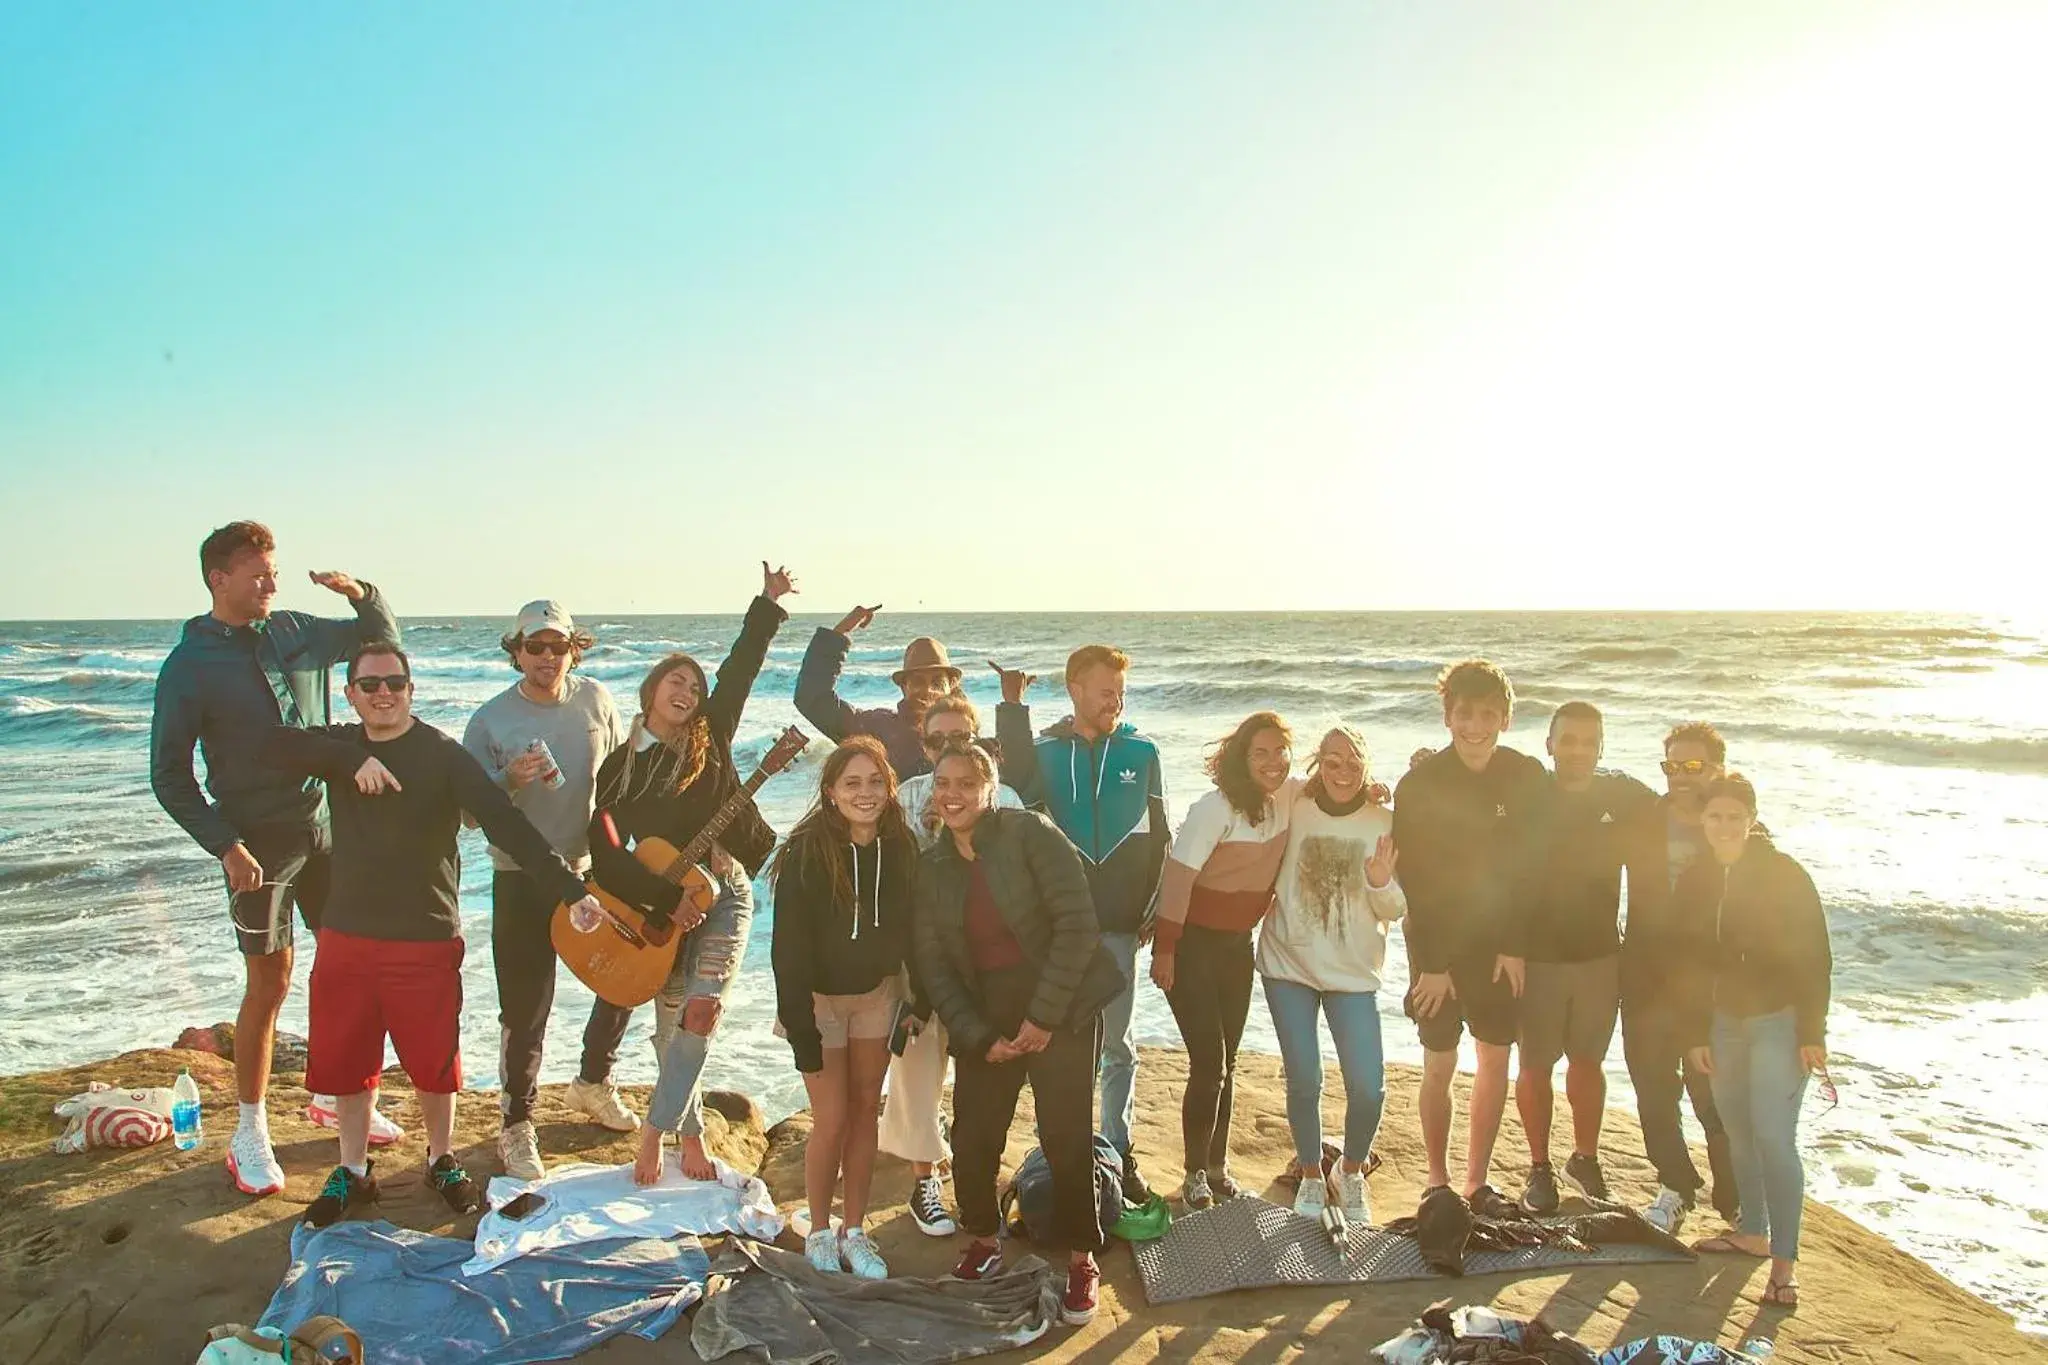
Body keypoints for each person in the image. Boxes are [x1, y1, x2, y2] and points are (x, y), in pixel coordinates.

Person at [260, 641, 602, 1227]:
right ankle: (353, 1170)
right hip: (348, 932)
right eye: (369, 685)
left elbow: (506, 824)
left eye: (394, 682)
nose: (383, 693)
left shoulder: (442, 756)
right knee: (347, 1059)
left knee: (433, 1061)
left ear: (411, 690)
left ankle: (441, 1158)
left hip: (424, 934)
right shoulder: (343, 746)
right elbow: (274, 744)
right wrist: (350, 763)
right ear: (352, 696)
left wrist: (571, 890)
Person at [149, 520, 404, 1198]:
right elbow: (170, 775)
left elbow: (379, 642)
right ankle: (251, 1129)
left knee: (353, 963)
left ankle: (336, 1096)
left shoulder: (292, 629)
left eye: (273, 569)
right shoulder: (189, 666)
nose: (271, 582)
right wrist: (224, 844)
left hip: (324, 827)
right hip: (255, 844)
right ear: (218, 578)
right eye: (256, 572)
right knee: (272, 982)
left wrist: (362, 593)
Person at [585, 567, 794, 1185]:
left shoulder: (711, 737)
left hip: (725, 893)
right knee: (669, 1024)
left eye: (695, 686)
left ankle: (654, 1137)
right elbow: (608, 857)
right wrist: (664, 901)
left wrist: (767, 603)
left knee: (701, 1012)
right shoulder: (619, 771)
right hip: (661, 907)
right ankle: (692, 1133)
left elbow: (740, 668)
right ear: (651, 690)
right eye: (677, 680)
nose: (690, 690)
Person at [912, 739, 1121, 1327]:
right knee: (974, 1139)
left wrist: (1043, 1018)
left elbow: (1078, 926)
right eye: (942, 783)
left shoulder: (1031, 834)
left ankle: (1082, 1261)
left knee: (1066, 1140)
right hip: (988, 1019)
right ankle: (982, 1240)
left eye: (964, 783)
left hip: (1064, 1008)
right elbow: (933, 963)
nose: (951, 794)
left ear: (990, 787)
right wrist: (979, 1036)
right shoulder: (932, 865)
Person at [461, 599, 632, 1180]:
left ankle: (593, 1081)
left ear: (572, 649)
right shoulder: (490, 720)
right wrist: (510, 778)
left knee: (626, 976)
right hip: (520, 877)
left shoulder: (596, 701)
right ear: (517, 651)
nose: (547, 657)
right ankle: (517, 1124)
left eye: (557, 646)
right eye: (534, 646)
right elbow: (465, 814)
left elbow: (619, 781)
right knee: (528, 1007)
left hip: (588, 872)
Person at [993, 646, 1170, 1203]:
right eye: (1105, 689)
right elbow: (1014, 786)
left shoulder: (1142, 751)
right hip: (1059, 927)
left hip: (1117, 923)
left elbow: (1161, 834)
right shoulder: (1046, 750)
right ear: (1074, 688)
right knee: (1061, 1046)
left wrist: (1153, 910)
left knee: (1118, 1044)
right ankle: (1063, 1151)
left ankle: (1118, 1152)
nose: (1115, 700)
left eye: (1120, 690)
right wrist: (1012, 708)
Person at [1391, 660, 1549, 1214]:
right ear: (1447, 715)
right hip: (1434, 946)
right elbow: (1415, 879)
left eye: (1487, 714)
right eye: (1464, 713)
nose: (1474, 725)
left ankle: (1476, 1182)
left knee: (1494, 1061)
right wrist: (1434, 964)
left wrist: (1515, 943)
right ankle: (1437, 1181)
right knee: (1439, 1063)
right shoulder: (1421, 784)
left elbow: (1533, 869)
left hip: (1498, 949)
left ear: (1504, 718)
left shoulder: (1526, 776)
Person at [1677, 773, 1832, 1310]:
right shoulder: (1696, 879)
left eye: (1734, 817)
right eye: (1714, 816)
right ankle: (1753, 1232)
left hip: (1778, 1024)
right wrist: (1694, 1033)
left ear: (1752, 819)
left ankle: (1784, 1266)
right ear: (1702, 820)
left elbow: (1816, 956)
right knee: (1738, 1133)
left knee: (1773, 1136)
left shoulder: (1785, 875)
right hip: (1722, 1025)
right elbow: (1688, 963)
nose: (1724, 826)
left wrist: (1812, 1032)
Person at [770, 737, 919, 1279]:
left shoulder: (901, 846)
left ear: (890, 787)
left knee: (863, 1113)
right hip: (819, 1002)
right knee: (830, 1120)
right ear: (831, 791)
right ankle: (818, 1230)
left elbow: (913, 931)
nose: (865, 792)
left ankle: (854, 1231)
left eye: (876, 781)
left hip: (878, 997)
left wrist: (916, 998)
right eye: (852, 783)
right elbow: (785, 949)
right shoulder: (806, 850)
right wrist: (801, 1029)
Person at [880, 695, 1026, 1237]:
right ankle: (924, 1181)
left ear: (979, 741)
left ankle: (973, 1177)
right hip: (919, 960)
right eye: (938, 741)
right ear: (923, 745)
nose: (949, 749)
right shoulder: (906, 800)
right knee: (918, 1073)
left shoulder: (1006, 800)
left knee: (981, 1080)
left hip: (987, 966)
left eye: (960, 738)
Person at [1514, 702, 1657, 1213]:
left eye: (1587, 741)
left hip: (1601, 956)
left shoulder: (1620, 794)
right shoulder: (1528, 793)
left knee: (1588, 1062)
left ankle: (1585, 1158)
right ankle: (1538, 1168)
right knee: (1534, 1066)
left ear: (1601, 747)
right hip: (1538, 958)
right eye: (1566, 740)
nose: (1577, 750)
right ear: (1549, 744)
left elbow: (1680, 810)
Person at [1260, 725, 1405, 1226]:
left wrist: (1379, 882)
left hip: (1353, 975)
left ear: (1367, 764)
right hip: (1288, 966)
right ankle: (1309, 1175)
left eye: (1352, 762)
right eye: (1332, 761)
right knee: (1305, 1079)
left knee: (1368, 1087)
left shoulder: (1385, 820)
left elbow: (1396, 907)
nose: (1342, 772)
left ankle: (1350, 1171)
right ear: (1317, 764)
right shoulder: (1294, 806)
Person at [1150, 711, 1295, 1209]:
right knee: (1208, 1061)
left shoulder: (1289, 799)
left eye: (1280, 751)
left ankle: (1217, 1168)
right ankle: (1193, 1173)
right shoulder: (1215, 808)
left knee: (1227, 1063)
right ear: (1241, 758)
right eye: (1261, 752)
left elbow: (1336, 786)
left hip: (1237, 948)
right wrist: (1165, 948)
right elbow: (1178, 877)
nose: (1273, 762)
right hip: (1190, 947)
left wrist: (1376, 792)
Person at [1621, 721, 1742, 1233]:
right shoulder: (1643, 818)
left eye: (1695, 766)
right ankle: (1676, 1187)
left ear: (1718, 767)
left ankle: (1735, 1197)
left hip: (1707, 989)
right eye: (1672, 765)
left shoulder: (1735, 827)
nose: (1682, 776)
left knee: (1714, 1095)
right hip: (1645, 977)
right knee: (1653, 1089)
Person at [795, 604, 960, 778]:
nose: (928, 690)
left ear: (951, 688)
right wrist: (841, 632)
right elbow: (812, 698)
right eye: (918, 682)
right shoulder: (876, 729)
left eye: (937, 683)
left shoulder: (965, 737)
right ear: (904, 687)